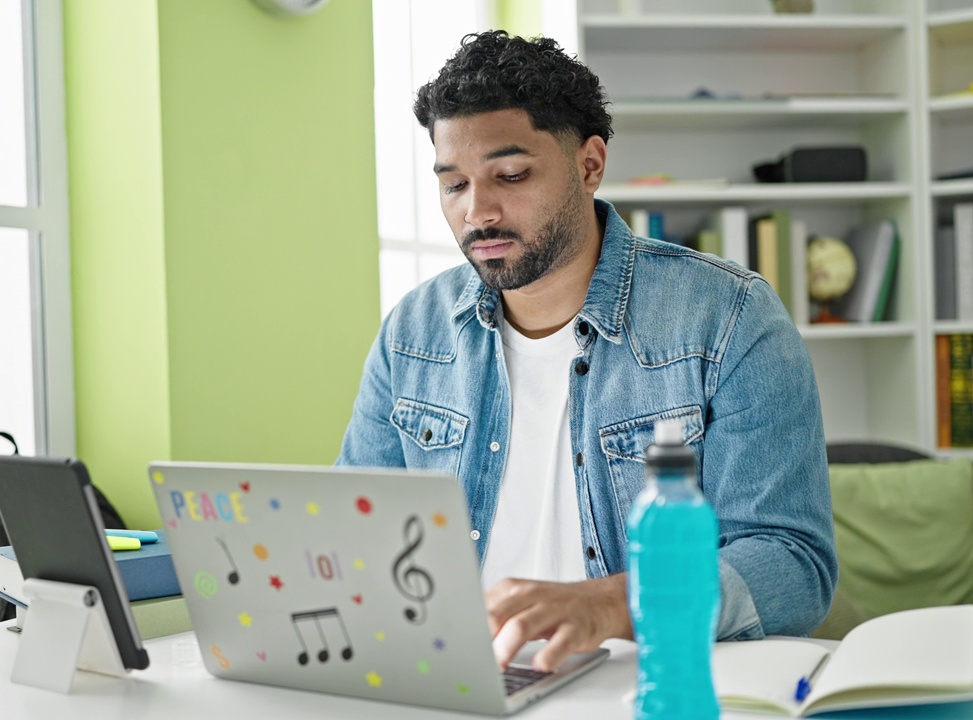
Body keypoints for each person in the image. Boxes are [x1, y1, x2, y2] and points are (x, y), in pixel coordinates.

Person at [337, 30, 837, 674]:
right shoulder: (414, 332)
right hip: (458, 680)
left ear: (589, 164)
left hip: (650, 685)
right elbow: (358, 536)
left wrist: (613, 603)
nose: (477, 212)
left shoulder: (728, 318)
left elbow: (792, 564)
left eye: (510, 175)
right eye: (453, 184)